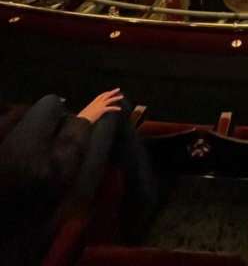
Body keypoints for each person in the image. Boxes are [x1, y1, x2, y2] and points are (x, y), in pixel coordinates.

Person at [0, 89, 158, 266]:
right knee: (113, 106)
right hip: (38, 216)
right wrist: (81, 123)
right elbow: (34, 175)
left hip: (33, 180)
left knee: (55, 105)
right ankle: (144, 220)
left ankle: (145, 204)